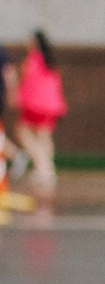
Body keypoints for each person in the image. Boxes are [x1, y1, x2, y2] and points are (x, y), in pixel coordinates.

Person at [6, 30, 64, 204]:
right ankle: (48, 169)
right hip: (51, 107)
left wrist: (19, 98)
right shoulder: (49, 60)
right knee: (44, 136)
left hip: (35, 106)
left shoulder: (33, 59)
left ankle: (43, 167)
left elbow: (31, 84)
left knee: (23, 132)